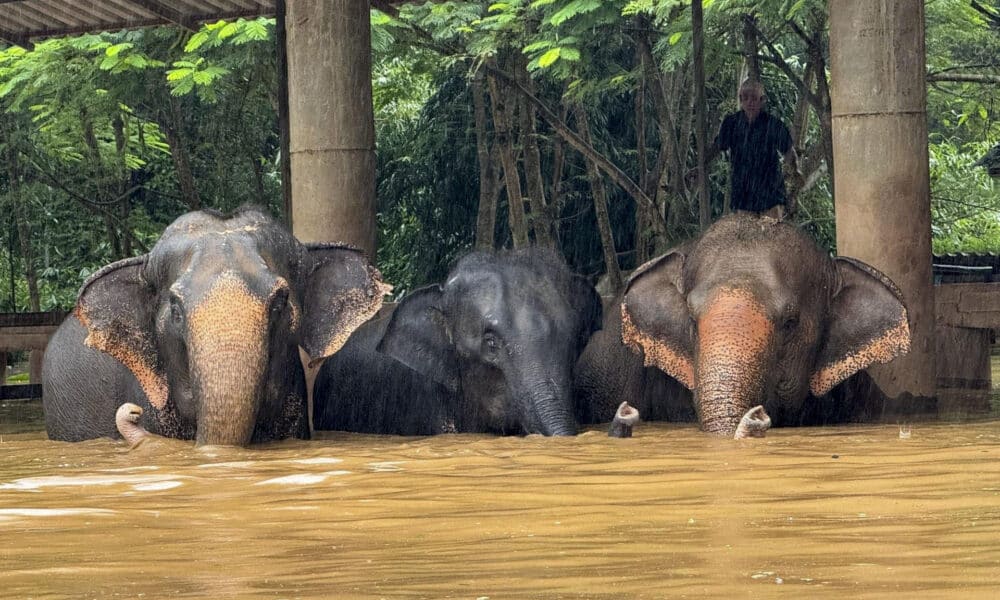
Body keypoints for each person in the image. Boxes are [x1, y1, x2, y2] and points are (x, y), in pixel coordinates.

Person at [704, 79, 804, 219]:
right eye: (745, 98)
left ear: (762, 100)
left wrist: (795, 171)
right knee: (747, 237)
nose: (750, 102)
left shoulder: (774, 125)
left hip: (770, 191)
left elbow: (788, 150)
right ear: (740, 99)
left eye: (754, 98)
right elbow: (718, 146)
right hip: (743, 191)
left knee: (771, 234)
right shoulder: (731, 123)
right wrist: (701, 165)